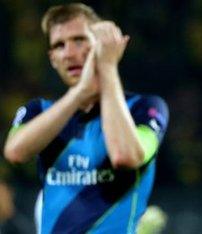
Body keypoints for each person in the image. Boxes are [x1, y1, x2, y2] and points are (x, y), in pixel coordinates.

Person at [3, 3, 169, 234]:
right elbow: (15, 151)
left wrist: (107, 68)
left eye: (80, 40)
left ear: (102, 46)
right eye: (59, 46)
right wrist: (80, 92)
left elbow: (125, 155)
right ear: (52, 59)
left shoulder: (144, 108)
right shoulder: (38, 111)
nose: (69, 53)